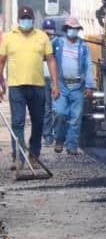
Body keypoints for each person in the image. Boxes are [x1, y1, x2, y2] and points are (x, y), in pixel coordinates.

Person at [0, 7, 60, 172]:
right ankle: (18, 157)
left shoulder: (42, 37)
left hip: (37, 86)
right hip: (16, 86)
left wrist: (55, 83)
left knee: (38, 122)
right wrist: (0, 82)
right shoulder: (9, 37)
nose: (25, 21)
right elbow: (1, 61)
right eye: (23, 18)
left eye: (28, 18)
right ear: (18, 20)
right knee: (17, 122)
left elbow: (51, 60)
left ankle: (34, 155)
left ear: (33, 20)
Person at [52, 17, 96, 155]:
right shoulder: (57, 43)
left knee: (75, 118)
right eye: (71, 28)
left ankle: (72, 145)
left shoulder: (83, 47)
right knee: (60, 114)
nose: (73, 31)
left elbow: (88, 65)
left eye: (76, 29)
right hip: (61, 85)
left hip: (78, 86)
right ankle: (59, 139)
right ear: (66, 29)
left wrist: (90, 85)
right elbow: (48, 57)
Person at [41, 18, 57, 146]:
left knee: (57, 109)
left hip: (55, 80)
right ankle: (47, 135)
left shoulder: (58, 44)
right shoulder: (39, 45)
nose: (48, 35)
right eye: (46, 32)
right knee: (47, 109)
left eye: (50, 32)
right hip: (42, 80)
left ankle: (57, 134)